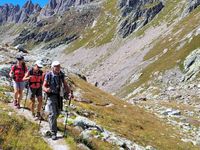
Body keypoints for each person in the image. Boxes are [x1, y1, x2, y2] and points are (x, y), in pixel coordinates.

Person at [43, 61, 73, 140]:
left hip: (59, 96)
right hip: (51, 96)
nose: (58, 68)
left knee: (58, 112)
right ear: (53, 67)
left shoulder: (61, 75)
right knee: (53, 114)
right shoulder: (48, 75)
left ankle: (51, 121)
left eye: (59, 66)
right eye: (56, 66)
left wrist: (69, 93)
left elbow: (65, 85)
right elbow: (44, 85)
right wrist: (46, 89)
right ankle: (53, 132)